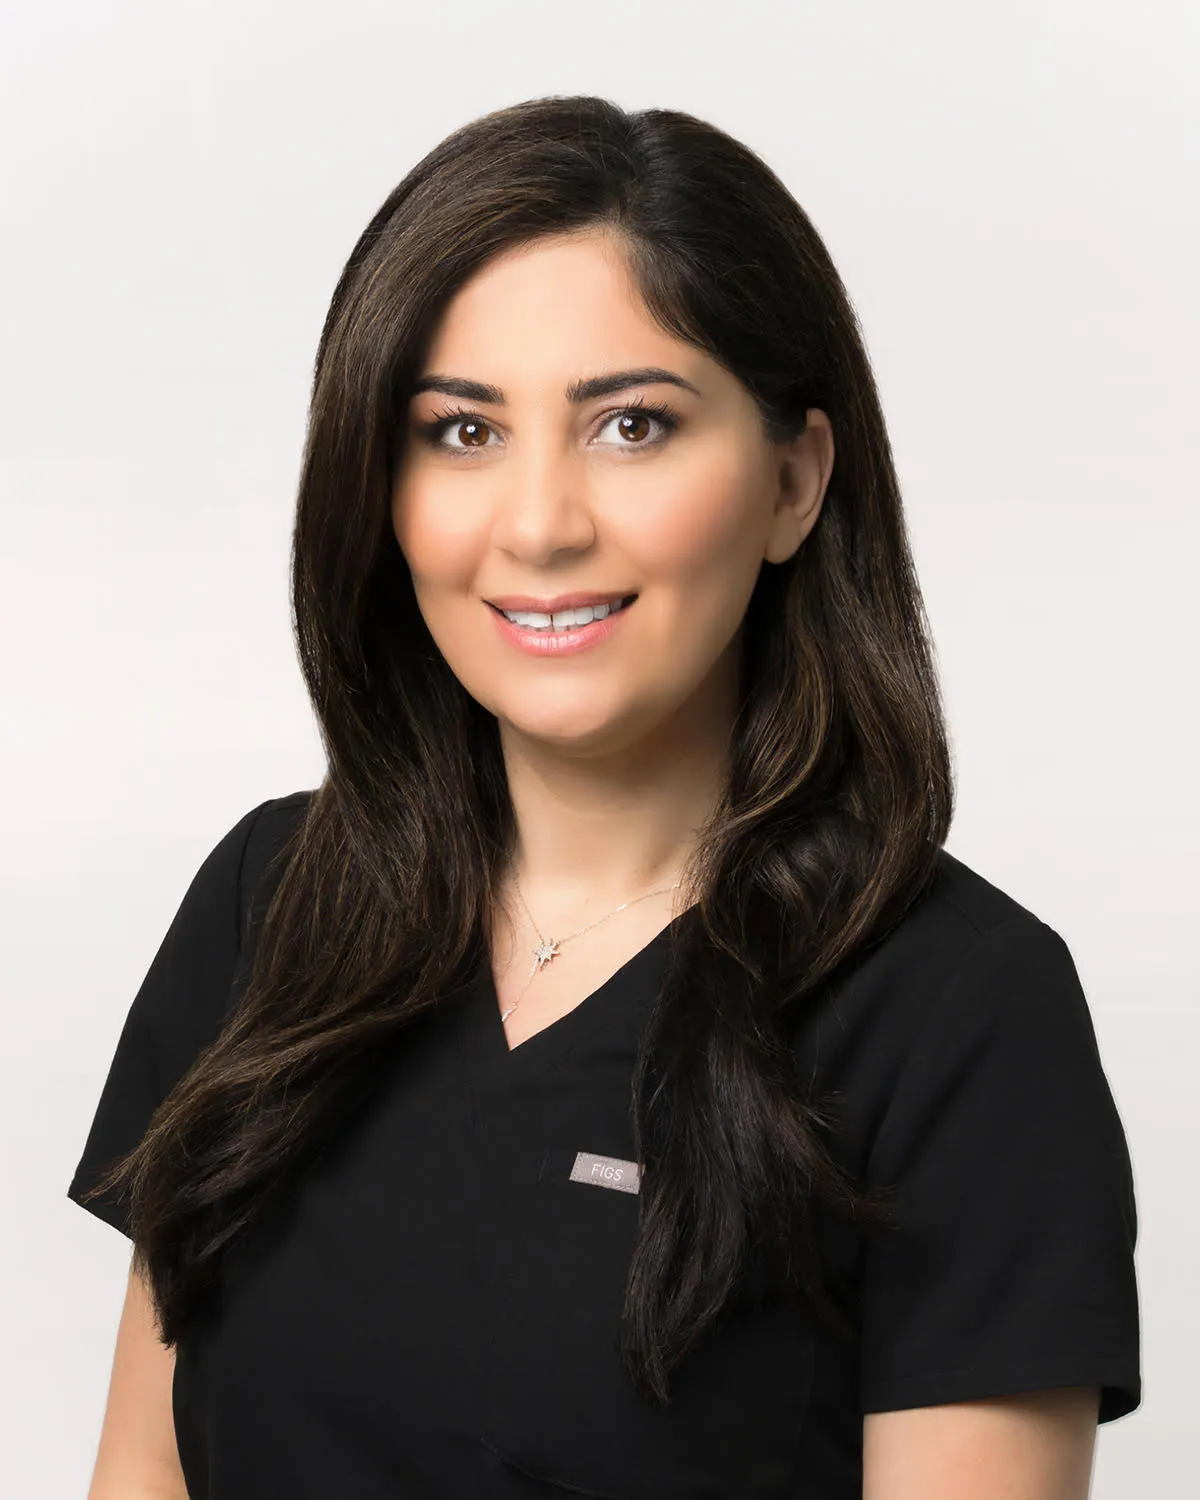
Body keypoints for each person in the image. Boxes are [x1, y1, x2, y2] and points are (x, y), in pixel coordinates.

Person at [67, 94, 1140, 1500]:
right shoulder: (271, 905)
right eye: (462, 432)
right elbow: (141, 1472)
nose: (539, 524)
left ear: (794, 482)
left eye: (632, 425)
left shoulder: (960, 1013)